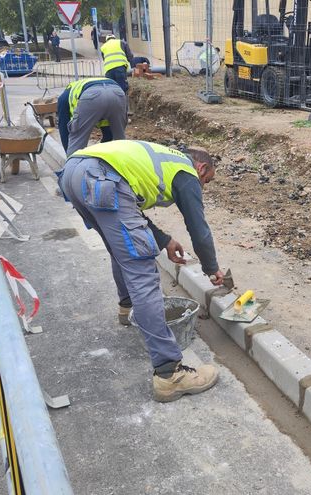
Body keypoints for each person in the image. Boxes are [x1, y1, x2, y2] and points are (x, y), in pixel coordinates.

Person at [56, 140, 223, 402]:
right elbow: (199, 230)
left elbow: (128, 208)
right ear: (202, 168)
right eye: (207, 181)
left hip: (75, 172)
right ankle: (170, 374)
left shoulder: (163, 159)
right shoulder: (187, 173)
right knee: (142, 270)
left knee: (120, 247)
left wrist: (164, 240)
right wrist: (212, 269)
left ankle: (127, 307)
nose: (203, 187)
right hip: (100, 177)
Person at [57, 77, 128, 156]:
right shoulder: (76, 88)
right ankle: (124, 163)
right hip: (117, 92)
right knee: (120, 140)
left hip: (91, 95)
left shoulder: (63, 99)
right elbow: (109, 133)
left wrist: (69, 154)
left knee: (77, 140)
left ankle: (72, 166)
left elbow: (64, 129)